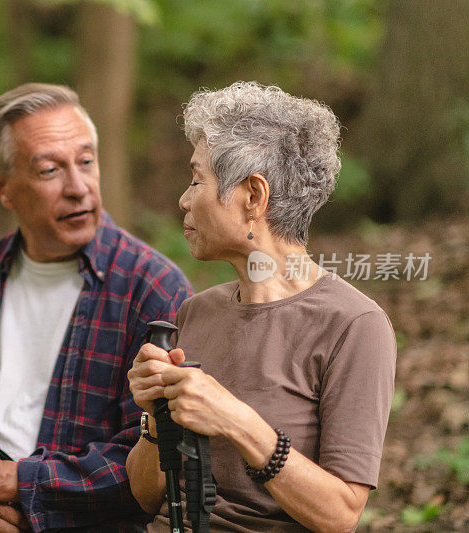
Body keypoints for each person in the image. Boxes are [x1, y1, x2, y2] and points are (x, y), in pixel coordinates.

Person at [0, 83, 193, 532]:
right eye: (50, 170)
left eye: (86, 162)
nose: (78, 188)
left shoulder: (151, 289)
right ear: (3, 186)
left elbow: (149, 459)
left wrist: (12, 484)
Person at [126, 82, 397, 532]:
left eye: (197, 179)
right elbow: (144, 495)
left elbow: (340, 516)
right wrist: (156, 419)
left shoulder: (355, 325)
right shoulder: (196, 312)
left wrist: (236, 421)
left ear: (253, 196)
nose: (184, 198)